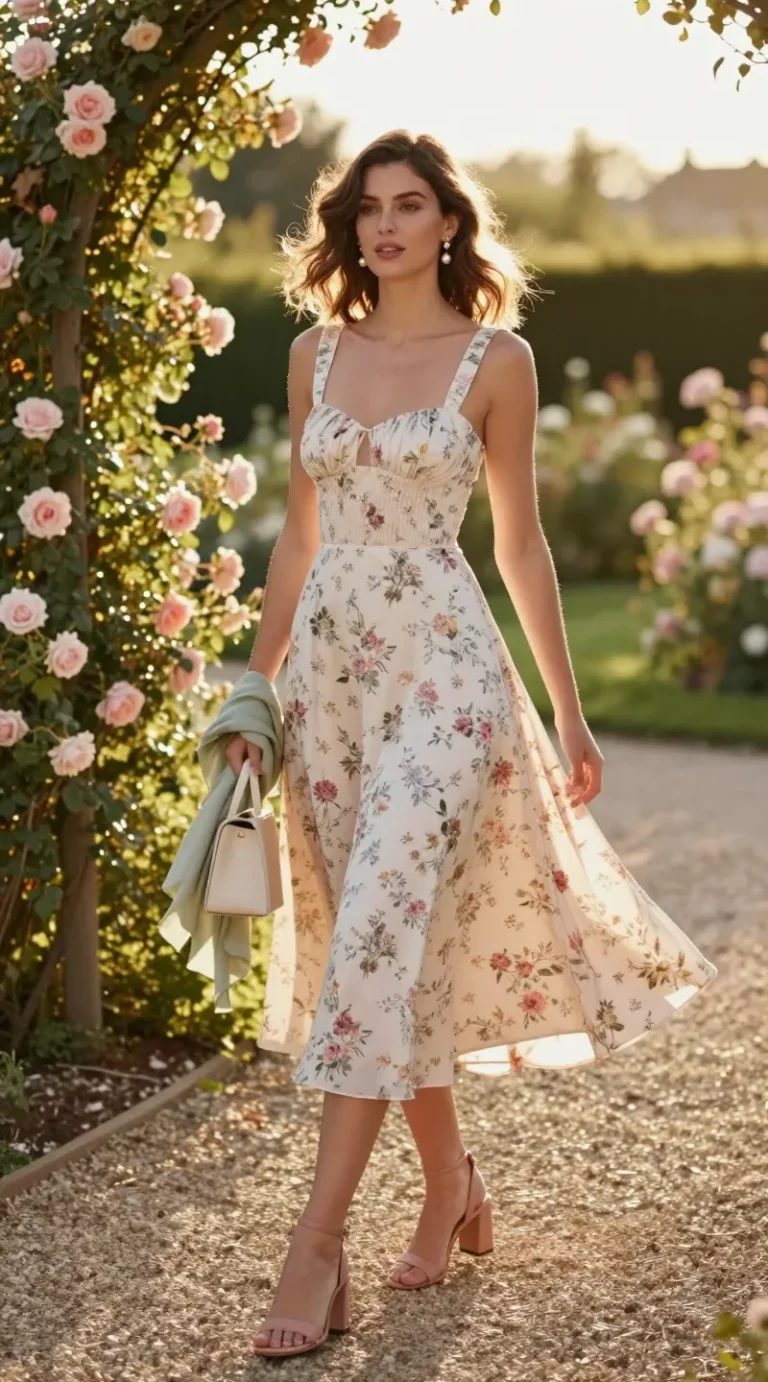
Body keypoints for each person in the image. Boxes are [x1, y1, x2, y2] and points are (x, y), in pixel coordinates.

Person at [224, 130, 718, 1359]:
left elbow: (520, 544)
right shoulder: (313, 354)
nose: (386, 226)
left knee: (389, 904)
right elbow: (294, 538)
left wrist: (568, 706)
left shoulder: (499, 360)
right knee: (391, 939)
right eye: (369, 209)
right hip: (333, 675)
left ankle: (318, 1239)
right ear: (351, 229)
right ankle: (452, 1182)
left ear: (450, 223)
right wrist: (255, 692)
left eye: (412, 205)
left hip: (445, 668)